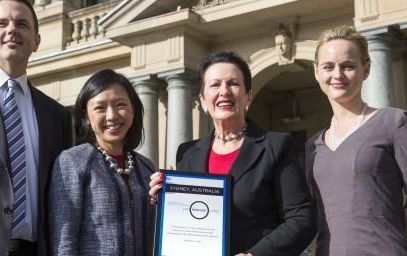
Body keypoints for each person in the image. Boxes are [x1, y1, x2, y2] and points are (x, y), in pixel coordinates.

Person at [149, 51, 316, 255]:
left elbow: (302, 219)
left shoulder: (276, 146)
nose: (224, 91)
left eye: (233, 83)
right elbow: (189, 217)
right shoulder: (187, 153)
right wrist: (164, 199)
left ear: (248, 96)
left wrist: (254, 255)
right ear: (202, 100)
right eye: (215, 84)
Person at [0, 0, 72, 255]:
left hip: (35, 249)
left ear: (37, 41)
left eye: (22, 24)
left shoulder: (57, 115)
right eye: (2, 23)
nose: (12, 30)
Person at [306, 25, 407, 255]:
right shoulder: (313, 145)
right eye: (328, 67)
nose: (337, 75)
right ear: (316, 72)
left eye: (348, 66)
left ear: (366, 69)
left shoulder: (393, 122)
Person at [49, 69, 155, 256]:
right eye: (100, 108)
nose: (112, 116)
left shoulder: (147, 167)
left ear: (133, 111)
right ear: (86, 118)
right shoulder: (73, 161)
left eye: (120, 104)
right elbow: (64, 239)